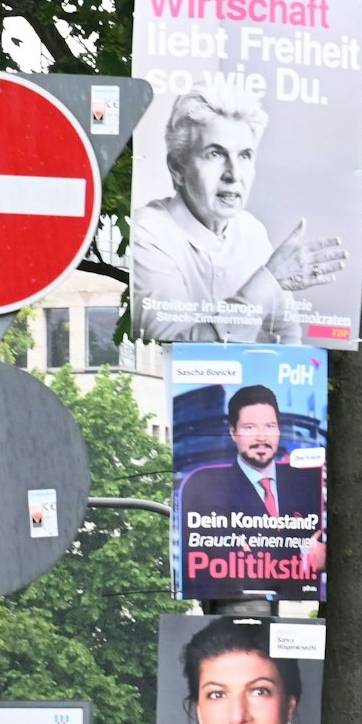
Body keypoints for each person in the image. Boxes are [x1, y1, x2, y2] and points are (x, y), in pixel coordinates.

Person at [130, 85, 347, 343]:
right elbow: (179, 345)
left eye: (244, 156)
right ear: (178, 168)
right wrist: (269, 279)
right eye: (215, 154)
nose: (233, 174)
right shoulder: (149, 230)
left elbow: (286, 335)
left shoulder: (251, 231)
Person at [178, 384, 326, 576]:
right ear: (233, 432)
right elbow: (220, 562)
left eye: (270, 426)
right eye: (250, 427)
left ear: (278, 430)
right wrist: (305, 555)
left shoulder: (306, 483)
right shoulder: (207, 490)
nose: (261, 437)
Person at [183, 617, 306, 724]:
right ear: (200, 713)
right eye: (217, 694)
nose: (238, 716)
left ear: (289, 706)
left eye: (259, 691)